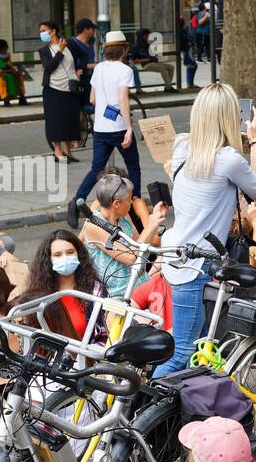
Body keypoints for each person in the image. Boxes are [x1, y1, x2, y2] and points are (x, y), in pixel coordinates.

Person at [155, 84, 256, 375]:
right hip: (196, 263)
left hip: (175, 254)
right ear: (230, 116)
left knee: (200, 347)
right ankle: (137, 412)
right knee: (183, 354)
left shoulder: (181, 145)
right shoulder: (228, 159)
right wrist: (254, 141)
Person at [73, 31, 142, 207]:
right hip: (119, 127)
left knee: (96, 168)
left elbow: (92, 99)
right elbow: (123, 99)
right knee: (133, 166)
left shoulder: (98, 68)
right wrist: (128, 127)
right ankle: (135, 202)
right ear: (124, 50)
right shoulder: (126, 70)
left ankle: (77, 201)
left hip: (101, 128)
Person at [80, 173, 167, 299]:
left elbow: (139, 242)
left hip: (141, 283)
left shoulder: (123, 216)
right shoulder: (93, 226)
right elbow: (130, 256)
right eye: (129, 199)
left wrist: (155, 218)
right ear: (116, 204)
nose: (132, 202)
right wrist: (151, 225)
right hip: (120, 295)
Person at [16, 229, 107, 341]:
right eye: (58, 254)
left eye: (70, 252)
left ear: (79, 254)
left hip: (86, 355)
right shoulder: (37, 293)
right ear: (48, 260)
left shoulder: (96, 291)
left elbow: (105, 335)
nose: (65, 258)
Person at [39, 19, 81, 163]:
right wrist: (60, 51)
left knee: (69, 120)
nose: (42, 33)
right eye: (41, 31)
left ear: (54, 31)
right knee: (55, 121)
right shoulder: (44, 50)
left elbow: (80, 57)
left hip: (70, 88)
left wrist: (79, 71)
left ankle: (68, 151)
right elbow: (49, 67)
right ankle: (57, 152)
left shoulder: (70, 45)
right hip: (53, 90)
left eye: (44, 30)